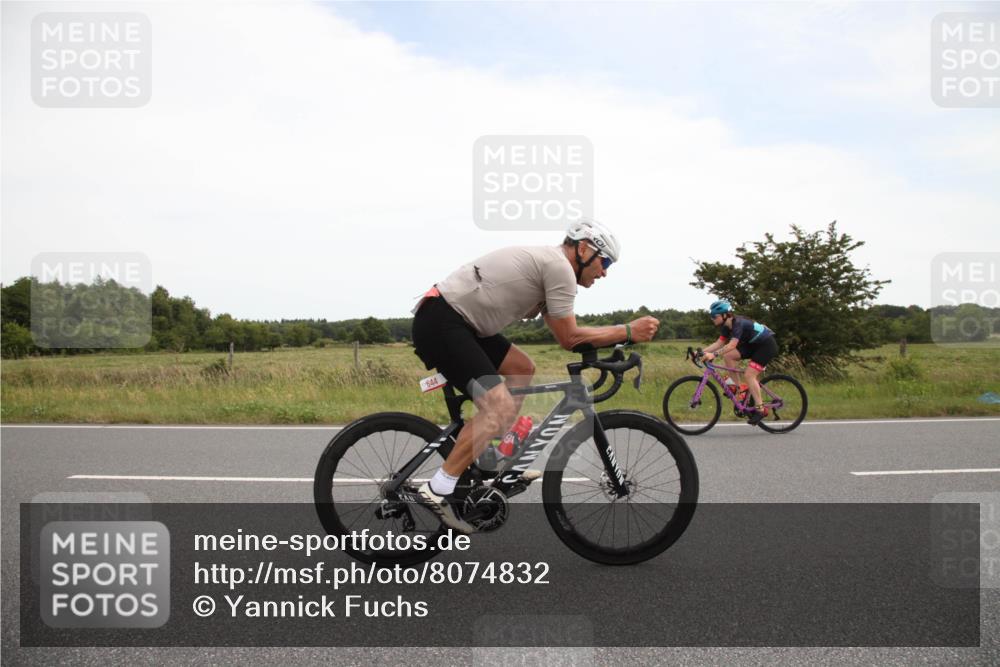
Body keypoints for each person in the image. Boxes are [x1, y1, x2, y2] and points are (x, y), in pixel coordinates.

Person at [410, 219, 660, 532]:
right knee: (497, 405)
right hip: (444, 321)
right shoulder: (559, 268)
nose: (605, 271)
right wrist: (627, 331)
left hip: (463, 323)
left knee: (521, 368)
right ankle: (438, 487)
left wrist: (615, 339)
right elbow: (571, 338)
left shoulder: (553, 267)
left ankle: (495, 460)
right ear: (583, 248)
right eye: (604, 261)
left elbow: (565, 335)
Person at [699, 300, 778, 425]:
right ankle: (738, 390)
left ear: (725, 315)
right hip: (753, 345)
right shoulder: (726, 326)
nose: (712, 318)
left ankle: (761, 409)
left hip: (766, 345)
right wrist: (700, 353)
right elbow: (719, 343)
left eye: (714, 316)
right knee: (728, 356)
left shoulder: (738, 323)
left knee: (749, 375)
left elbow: (732, 345)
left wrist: (713, 354)